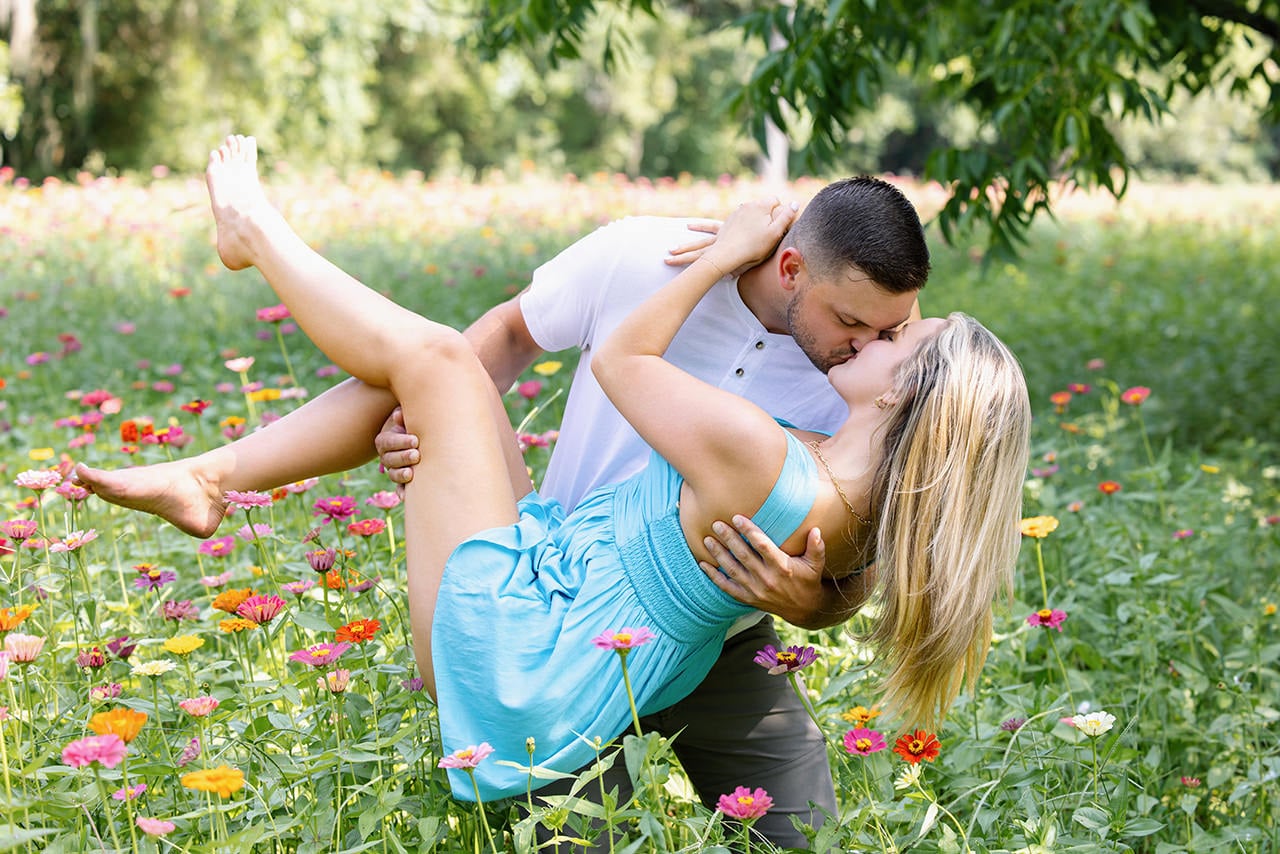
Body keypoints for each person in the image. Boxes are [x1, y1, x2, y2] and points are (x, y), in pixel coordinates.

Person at [77, 137, 1030, 845]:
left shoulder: (814, 426)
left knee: (801, 829)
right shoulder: (645, 268)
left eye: (893, 335)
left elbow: (631, 370)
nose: (865, 343)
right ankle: (213, 472)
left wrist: (816, 599)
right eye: (860, 323)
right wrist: (442, 439)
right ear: (790, 267)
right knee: (442, 366)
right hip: (563, 571)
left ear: (907, 390)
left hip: (640, 641)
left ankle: (252, 249)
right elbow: (497, 346)